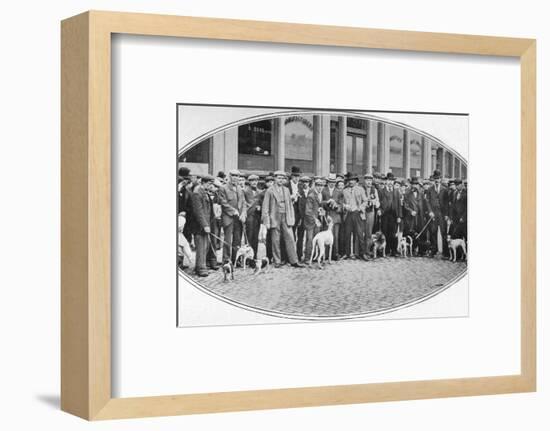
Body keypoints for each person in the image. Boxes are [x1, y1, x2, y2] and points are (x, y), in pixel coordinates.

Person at [261, 171, 305, 268]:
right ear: (275, 179)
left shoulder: (286, 190)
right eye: (279, 178)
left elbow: (289, 205)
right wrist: (266, 221)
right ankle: (277, 260)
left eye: (282, 178)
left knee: (290, 238)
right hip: (274, 216)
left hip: (285, 215)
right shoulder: (270, 191)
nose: (281, 180)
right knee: (275, 240)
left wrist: (291, 217)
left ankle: (294, 260)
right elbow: (265, 207)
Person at [188, 175, 219, 277]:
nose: (211, 186)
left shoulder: (204, 192)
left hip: (205, 224)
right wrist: (205, 225)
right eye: (210, 184)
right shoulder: (197, 193)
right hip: (199, 226)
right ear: (204, 182)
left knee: (205, 246)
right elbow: (198, 211)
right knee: (201, 247)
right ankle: (201, 268)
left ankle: (201, 266)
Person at [218, 169, 247, 263]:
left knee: (237, 240)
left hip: (238, 219)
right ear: (229, 176)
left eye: (237, 176)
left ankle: (236, 260)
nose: (235, 178)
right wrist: (233, 211)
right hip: (229, 217)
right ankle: (226, 260)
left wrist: (243, 213)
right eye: (233, 175)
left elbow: (243, 202)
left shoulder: (239, 188)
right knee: (228, 240)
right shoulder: (223, 188)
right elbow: (223, 202)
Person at [342, 173, 370, 261]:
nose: (351, 182)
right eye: (350, 180)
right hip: (348, 214)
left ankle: (362, 253)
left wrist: (360, 208)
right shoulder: (344, 191)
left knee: (359, 234)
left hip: (358, 213)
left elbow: (365, 201)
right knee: (347, 234)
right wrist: (345, 206)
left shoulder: (360, 189)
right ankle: (347, 253)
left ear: (356, 181)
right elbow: (341, 202)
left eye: (353, 180)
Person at [425, 170, 449, 257]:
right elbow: (427, 201)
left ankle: (445, 252)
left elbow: (446, 203)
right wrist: (430, 211)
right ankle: (434, 250)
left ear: (440, 179)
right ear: (433, 179)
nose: (437, 180)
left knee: (443, 232)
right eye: (435, 178)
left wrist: (446, 214)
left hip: (442, 214)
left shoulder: (445, 189)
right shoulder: (430, 189)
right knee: (433, 232)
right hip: (433, 214)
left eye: (438, 178)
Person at [378, 173, 402, 256]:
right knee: (385, 232)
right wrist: (379, 210)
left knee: (393, 233)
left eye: (392, 180)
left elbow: (399, 205)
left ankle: (394, 250)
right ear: (386, 181)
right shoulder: (381, 191)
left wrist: (399, 216)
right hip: (385, 215)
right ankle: (386, 250)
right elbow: (379, 203)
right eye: (389, 180)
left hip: (394, 215)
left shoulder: (396, 191)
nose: (390, 182)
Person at [322, 174, 344, 260]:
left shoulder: (339, 192)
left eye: (333, 182)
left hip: (335, 217)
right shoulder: (323, 190)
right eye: (330, 182)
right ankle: (325, 254)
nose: (332, 184)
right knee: (325, 235)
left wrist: (336, 206)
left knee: (335, 236)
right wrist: (327, 202)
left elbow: (341, 206)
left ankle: (335, 254)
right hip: (326, 216)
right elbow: (320, 202)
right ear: (328, 182)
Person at [304, 178, 326, 263]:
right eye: (318, 186)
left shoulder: (320, 195)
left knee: (317, 239)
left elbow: (318, 206)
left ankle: (315, 257)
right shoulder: (311, 195)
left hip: (317, 221)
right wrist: (315, 219)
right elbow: (308, 211)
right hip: (310, 222)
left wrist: (321, 210)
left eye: (322, 186)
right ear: (315, 186)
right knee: (310, 240)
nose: (320, 188)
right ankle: (307, 258)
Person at [244, 174, 262, 257]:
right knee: (249, 237)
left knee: (256, 237)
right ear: (249, 182)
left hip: (257, 217)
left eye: (256, 181)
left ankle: (254, 256)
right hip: (249, 217)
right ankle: (248, 257)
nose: (254, 182)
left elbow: (262, 203)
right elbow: (244, 204)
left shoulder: (260, 192)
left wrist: (260, 207)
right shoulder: (245, 191)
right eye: (252, 181)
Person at [362, 173, 380, 256]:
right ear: (364, 181)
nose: (369, 182)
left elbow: (377, 202)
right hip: (362, 212)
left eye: (370, 180)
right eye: (367, 180)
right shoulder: (361, 188)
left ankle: (367, 250)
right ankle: (360, 251)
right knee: (361, 232)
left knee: (369, 232)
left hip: (370, 212)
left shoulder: (374, 190)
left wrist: (375, 202)